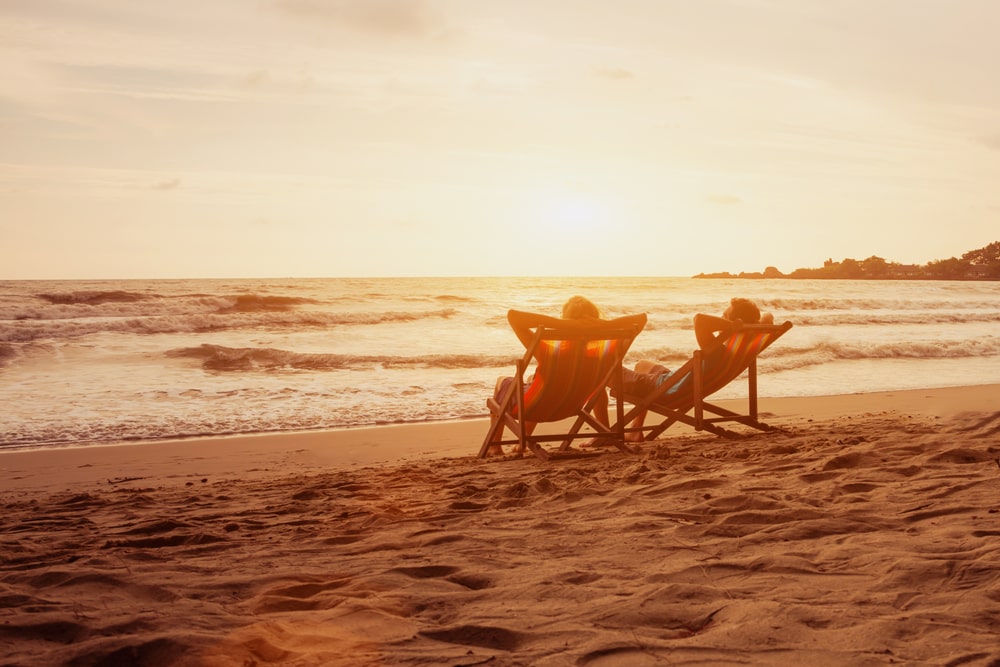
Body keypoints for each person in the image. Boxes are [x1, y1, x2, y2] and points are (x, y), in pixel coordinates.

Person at [616, 297, 773, 442]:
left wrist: (732, 327)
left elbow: (699, 320)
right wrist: (744, 326)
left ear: (734, 323)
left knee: (607, 370)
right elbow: (768, 316)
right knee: (642, 364)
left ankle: (613, 432)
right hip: (672, 381)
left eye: (724, 316)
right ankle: (635, 430)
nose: (720, 319)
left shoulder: (717, 350)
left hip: (662, 389)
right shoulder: (737, 349)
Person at [485, 295, 610, 455]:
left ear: (566, 321)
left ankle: (496, 446)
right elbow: (640, 320)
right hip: (571, 407)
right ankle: (522, 443)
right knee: (533, 380)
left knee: (502, 381)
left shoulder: (550, 352)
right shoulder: (602, 354)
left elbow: (513, 316)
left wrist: (566, 325)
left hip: (537, 408)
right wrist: (600, 325)